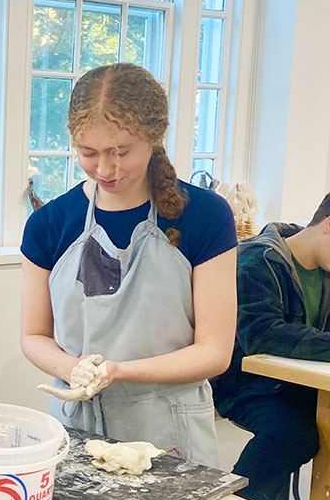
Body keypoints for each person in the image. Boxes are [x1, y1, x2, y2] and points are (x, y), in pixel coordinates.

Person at [20, 62, 237, 466]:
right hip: (75, 427)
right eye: (89, 153)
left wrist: (120, 370)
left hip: (169, 430)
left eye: (121, 152)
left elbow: (214, 351)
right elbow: (33, 334)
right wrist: (75, 369)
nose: (105, 169)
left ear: (153, 138)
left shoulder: (204, 216)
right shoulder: (49, 224)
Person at [211, 195, 330, 500]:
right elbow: (263, 335)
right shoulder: (255, 261)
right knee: (294, 435)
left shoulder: (325, 268)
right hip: (244, 384)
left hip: (299, 383)